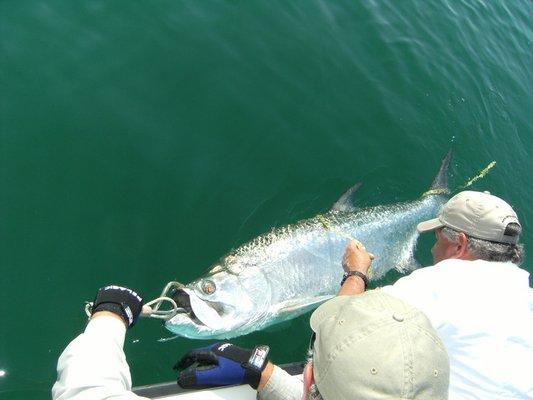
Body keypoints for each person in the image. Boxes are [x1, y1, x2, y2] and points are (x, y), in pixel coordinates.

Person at [180, 190, 533, 399]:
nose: (434, 245)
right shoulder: (525, 300)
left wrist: (356, 273)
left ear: (460, 243)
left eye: (439, 236)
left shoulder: (432, 288)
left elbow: (342, 330)